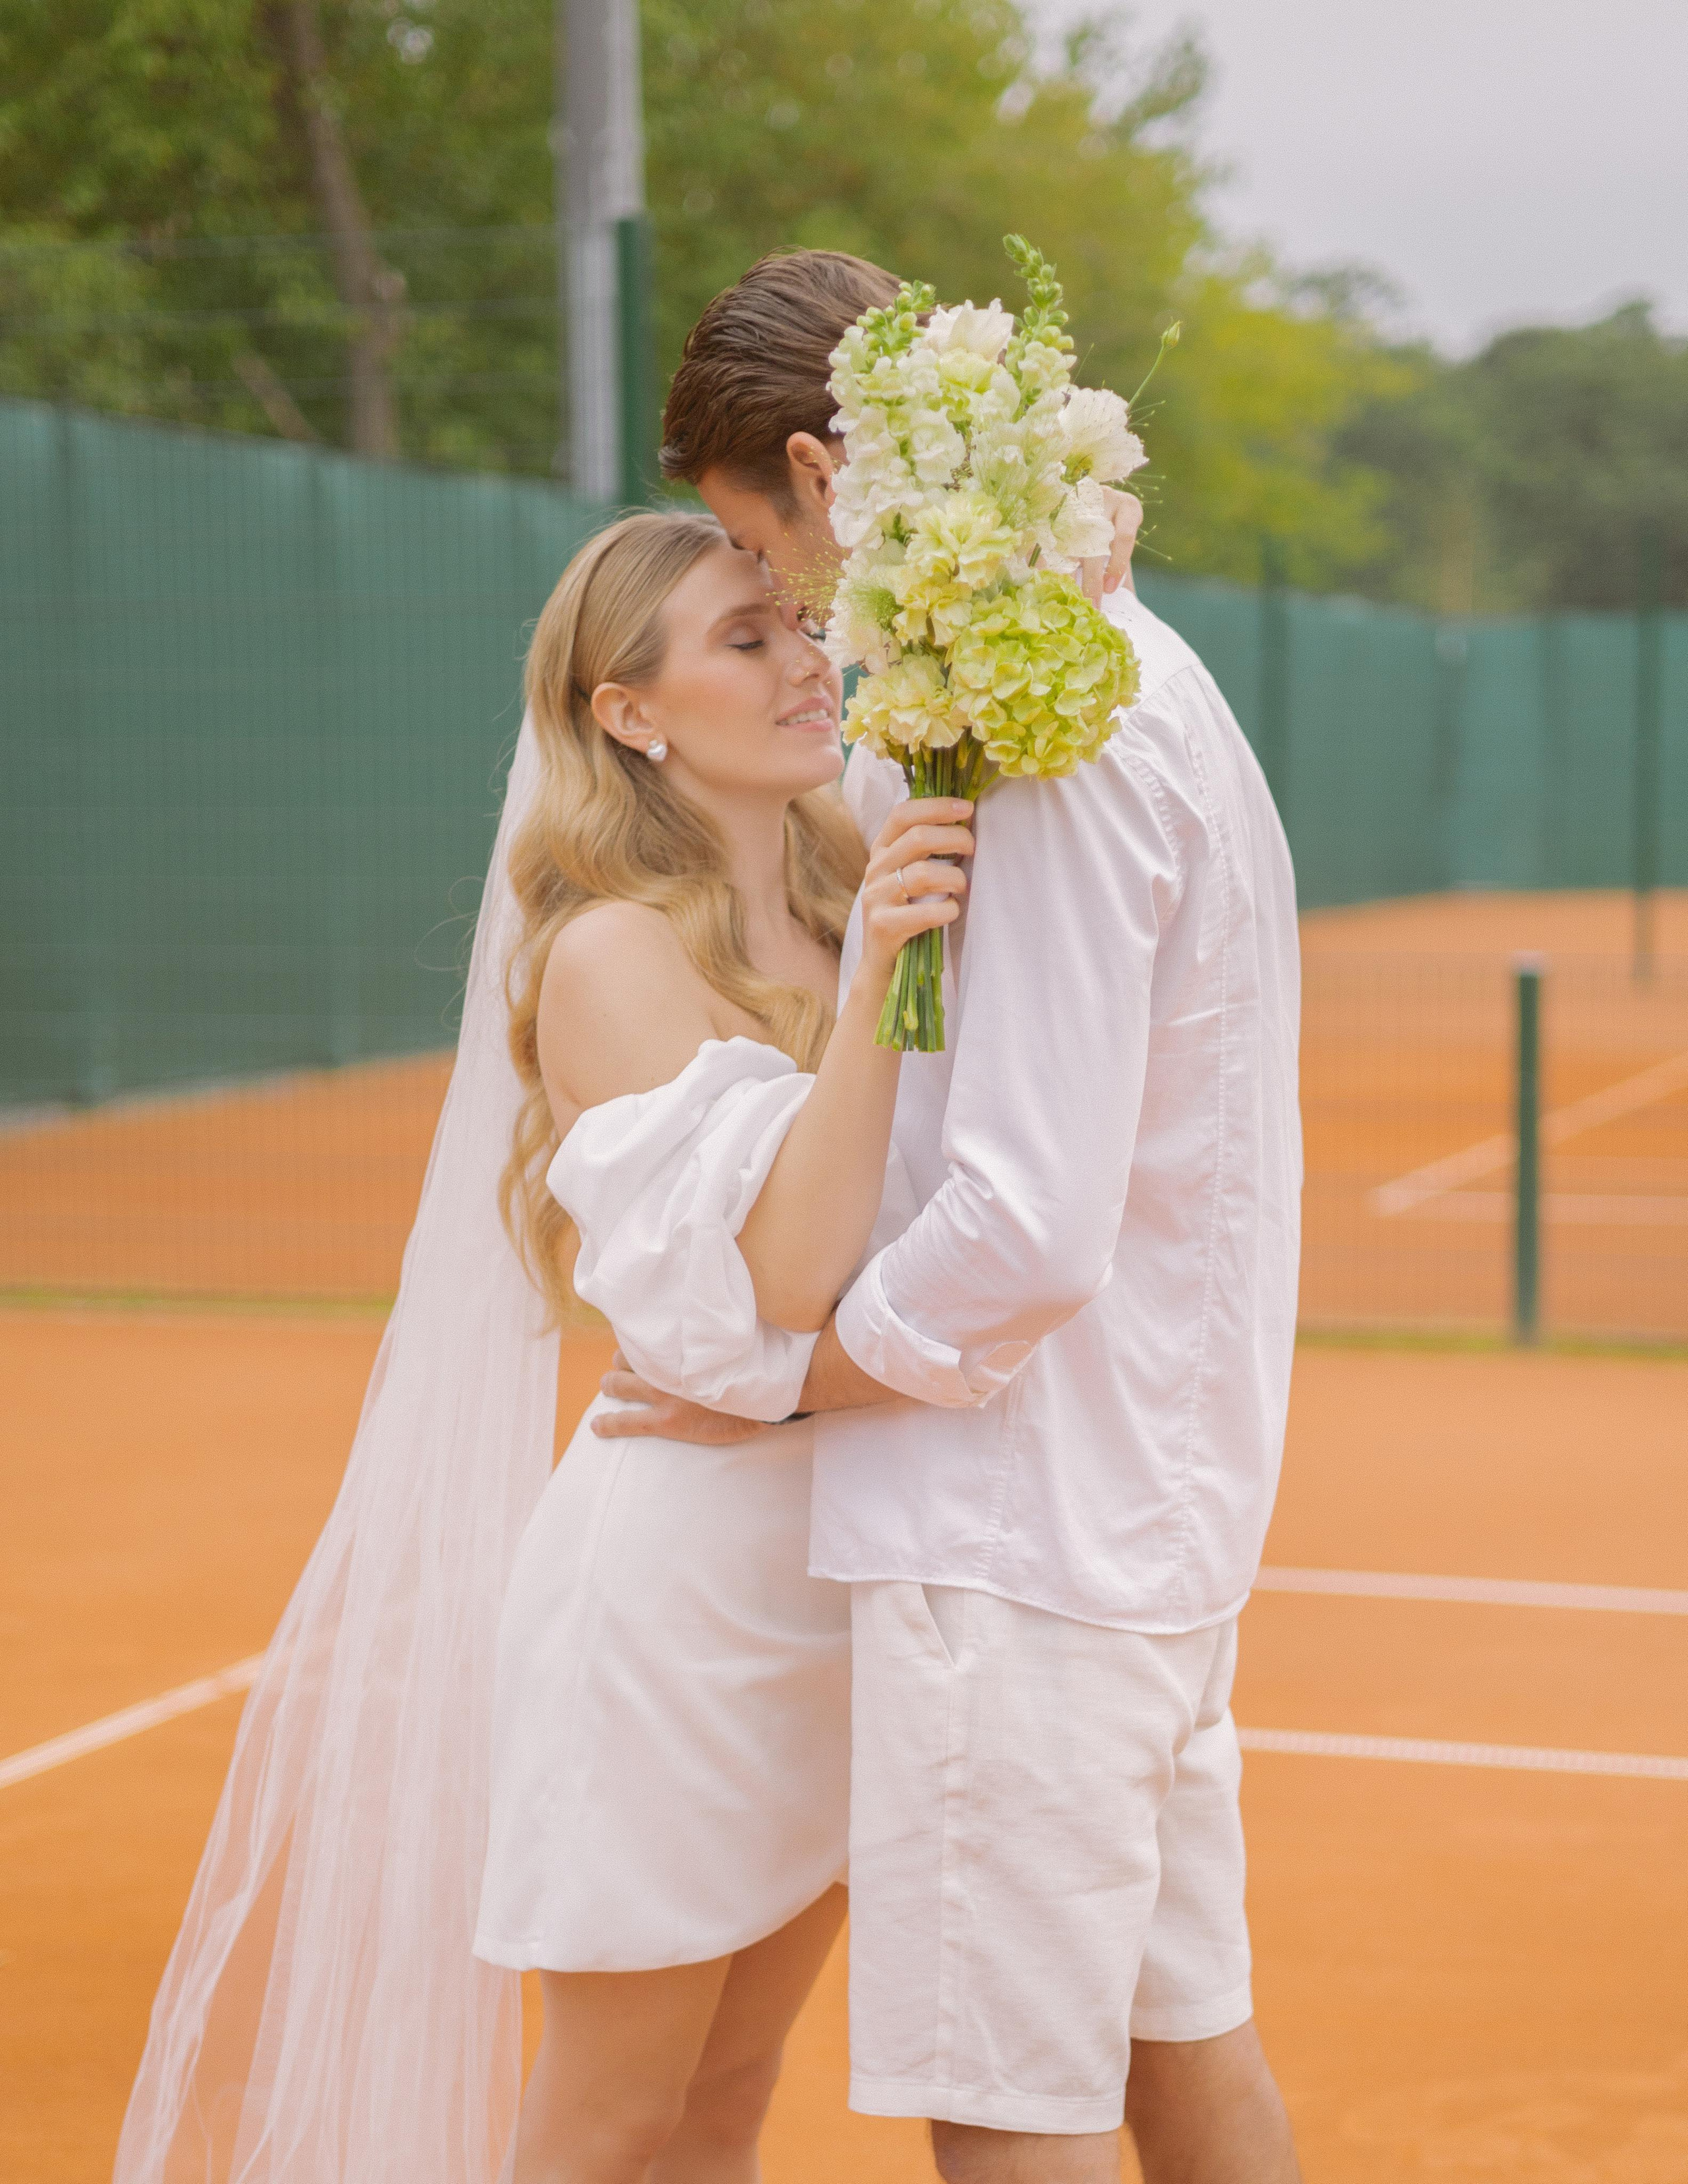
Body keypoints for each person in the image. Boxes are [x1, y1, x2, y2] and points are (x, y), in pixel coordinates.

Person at [114, 507, 973, 2184]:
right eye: (746, 637)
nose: (810, 661)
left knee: (729, 2104)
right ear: (626, 711)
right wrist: (882, 971)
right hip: (675, 1614)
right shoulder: (608, 954)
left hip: (845, 1576)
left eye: (802, 622)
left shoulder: (836, 879)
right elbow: (790, 1274)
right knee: (600, 2124)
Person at [600, 249, 1306, 2184]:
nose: (792, 607)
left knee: (1010, 2114)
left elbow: (1027, 1224)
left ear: (831, 475)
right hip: (1135, 1518)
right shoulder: (1106, 669)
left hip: (1022, 1540)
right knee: (1187, 2054)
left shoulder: (1047, 725)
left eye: (763, 545)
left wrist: (789, 1384)